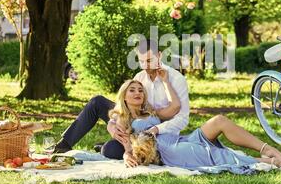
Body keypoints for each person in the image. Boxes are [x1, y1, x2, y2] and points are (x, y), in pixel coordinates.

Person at [111, 79, 281, 174]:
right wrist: (127, 154)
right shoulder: (122, 118)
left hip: (180, 139)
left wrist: (166, 80)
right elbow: (127, 145)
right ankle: (276, 162)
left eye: (140, 90)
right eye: (132, 90)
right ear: (124, 96)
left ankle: (270, 151)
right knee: (212, 153)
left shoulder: (150, 112)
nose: (138, 93)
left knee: (219, 120)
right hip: (168, 152)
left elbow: (175, 106)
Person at [53, 39, 190, 159]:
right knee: (97, 102)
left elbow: (182, 120)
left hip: (156, 134)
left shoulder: (176, 79)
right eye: (141, 61)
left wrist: (155, 129)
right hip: (133, 122)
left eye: (149, 60)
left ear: (159, 55)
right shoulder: (140, 77)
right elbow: (124, 104)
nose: (145, 66)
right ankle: (63, 145)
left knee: (110, 149)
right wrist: (111, 124)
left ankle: (113, 146)